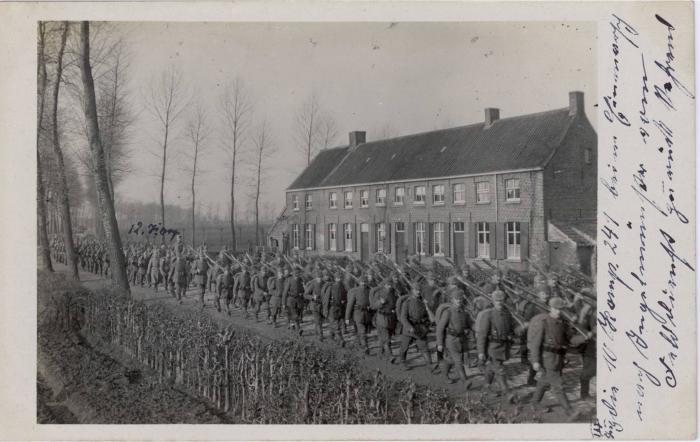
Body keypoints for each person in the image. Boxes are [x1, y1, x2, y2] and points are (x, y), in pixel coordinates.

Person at [527, 297, 579, 419]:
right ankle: (569, 411)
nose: (558, 312)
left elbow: (569, 339)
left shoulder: (563, 322)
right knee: (558, 386)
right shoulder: (544, 322)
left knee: (544, 382)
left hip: (558, 358)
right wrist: (535, 361)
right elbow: (535, 343)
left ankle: (535, 403)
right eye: (556, 309)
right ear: (550, 308)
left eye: (561, 309)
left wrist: (583, 338)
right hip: (547, 359)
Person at [476, 290, 516, 400]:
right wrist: (480, 352)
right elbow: (482, 335)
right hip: (493, 347)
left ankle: (486, 387)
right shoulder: (488, 315)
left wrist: (516, 332)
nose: (500, 303)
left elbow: (512, 328)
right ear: (493, 301)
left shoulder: (507, 313)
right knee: (500, 370)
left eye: (501, 300)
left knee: (491, 368)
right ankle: (507, 393)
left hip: (504, 346)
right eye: (497, 301)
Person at [436, 286, 473, 385]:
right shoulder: (447, 312)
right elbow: (440, 328)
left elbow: (470, 324)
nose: (459, 301)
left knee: (451, 360)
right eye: (457, 299)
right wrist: (440, 343)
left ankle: (444, 372)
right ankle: (465, 381)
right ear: (452, 300)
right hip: (451, 340)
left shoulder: (464, 312)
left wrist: (476, 329)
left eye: (461, 299)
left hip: (462, 339)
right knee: (458, 361)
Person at [397, 286, 432, 370]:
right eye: (416, 290)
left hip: (420, 328)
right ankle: (402, 363)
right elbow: (403, 317)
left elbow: (426, 316)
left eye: (419, 290)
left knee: (424, 347)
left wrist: (427, 325)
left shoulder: (422, 302)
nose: (418, 292)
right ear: (412, 291)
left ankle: (430, 365)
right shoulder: (407, 303)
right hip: (408, 329)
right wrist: (409, 327)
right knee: (404, 347)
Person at [372, 275, 398, 361]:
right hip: (381, 318)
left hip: (391, 318)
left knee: (383, 337)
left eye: (391, 285)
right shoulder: (379, 293)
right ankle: (390, 356)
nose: (390, 286)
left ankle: (380, 353)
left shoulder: (394, 292)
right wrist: (380, 302)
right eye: (388, 285)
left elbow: (397, 303)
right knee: (387, 339)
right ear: (385, 284)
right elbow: (373, 306)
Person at [346, 275, 372, 354]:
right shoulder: (355, 291)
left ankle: (356, 344)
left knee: (360, 332)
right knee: (362, 331)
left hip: (367, 314)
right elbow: (350, 305)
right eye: (362, 282)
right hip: (358, 314)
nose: (363, 283)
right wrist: (347, 318)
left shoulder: (370, 291)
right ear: (359, 282)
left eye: (365, 282)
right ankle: (365, 347)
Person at [324, 271, 347, 347]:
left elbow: (346, 296)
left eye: (340, 278)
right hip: (332, 308)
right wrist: (325, 310)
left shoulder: (343, 287)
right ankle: (341, 340)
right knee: (335, 324)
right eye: (338, 278)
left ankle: (331, 338)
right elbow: (326, 300)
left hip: (340, 308)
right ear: (335, 278)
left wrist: (344, 301)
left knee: (333, 324)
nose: (339, 279)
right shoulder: (331, 287)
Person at [304, 271, 327, 341]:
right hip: (314, 305)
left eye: (320, 277)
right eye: (318, 278)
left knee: (320, 320)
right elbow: (305, 295)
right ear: (316, 278)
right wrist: (312, 297)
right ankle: (321, 335)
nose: (319, 279)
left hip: (322, 305)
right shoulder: (312, 284)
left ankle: (316, 333)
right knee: (318, 320)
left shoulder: (324, 284)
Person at [282, 267, 305, 333]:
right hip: (291, 300)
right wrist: (283, 303)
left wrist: (302, 292)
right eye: (296, 273)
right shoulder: (289, 280)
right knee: (295, 315)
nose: (297, 275)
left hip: (298, 300)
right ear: (294, 274)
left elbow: (303, 289)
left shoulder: (300, 280)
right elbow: (285, 292)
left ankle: (292, 325)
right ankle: (299, 329)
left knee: (297, 314)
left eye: (298, 273)